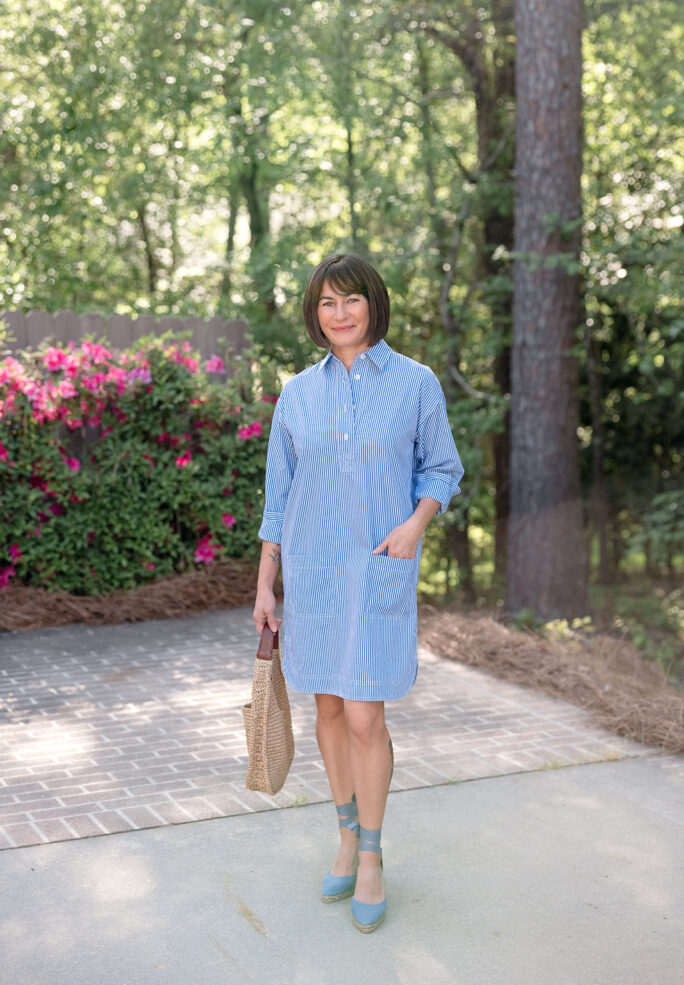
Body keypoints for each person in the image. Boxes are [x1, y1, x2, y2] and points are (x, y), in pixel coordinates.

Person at [252, 253, 464, 933]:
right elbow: (278, 495)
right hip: (310, 577)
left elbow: (442, 466)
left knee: (368, 716)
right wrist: (264, 582)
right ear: (315, 315)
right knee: (331, 713)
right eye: (325, 303)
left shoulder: (416, 383)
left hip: (377, 567)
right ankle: (344, 831)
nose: (339, 313)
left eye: (351, 300)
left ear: (373, 303)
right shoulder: (296, 393)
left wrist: (414, 524)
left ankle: (371, 851)